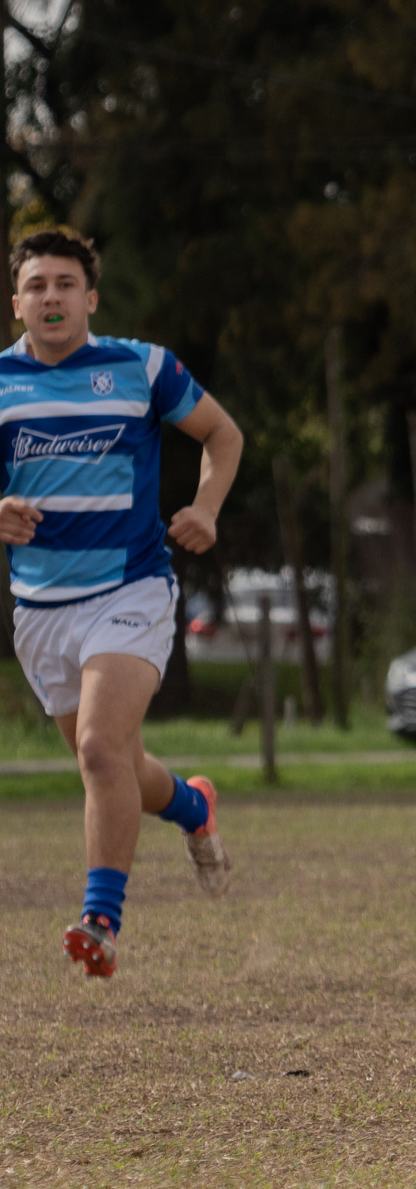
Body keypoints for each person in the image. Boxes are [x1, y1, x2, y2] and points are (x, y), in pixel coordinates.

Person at [0, 229, 243, 978]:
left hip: (130, 589)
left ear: (90, 299)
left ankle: (100, 923)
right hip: (40, 607)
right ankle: (192, 808)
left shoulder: (141, 367)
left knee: (99, 750)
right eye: (37, 284)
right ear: (17, 301)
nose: (51, 296)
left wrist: (206, 507)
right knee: (118, 764)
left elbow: (222, 434)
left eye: (65, 284)